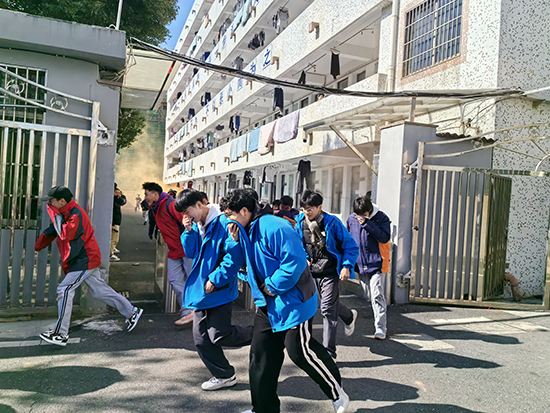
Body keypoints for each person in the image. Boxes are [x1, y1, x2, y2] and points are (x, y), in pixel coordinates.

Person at [220, 189, 349, 413]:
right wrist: (234, 241)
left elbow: (295, 262)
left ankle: (337, 393)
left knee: (301, 352)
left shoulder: (274, 226)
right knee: (261, 357)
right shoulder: (242, 229)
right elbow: (239, 262)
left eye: (229, 214)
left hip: (294, 302)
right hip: (267, 304)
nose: (226, 219)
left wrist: (272, 285)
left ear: (244, 211)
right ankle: (263, 409)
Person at [36, 186, 143, 346]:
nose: (49, 205)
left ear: (62, 201)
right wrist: (38, 245)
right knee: (99, 291)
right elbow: (53, 230)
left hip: (85, 260)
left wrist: (54, 214)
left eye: (51, 201)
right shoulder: (65, 213)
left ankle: (60, 333)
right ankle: (131, 312)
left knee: (65, 290)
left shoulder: (75, 214)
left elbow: (65, 234)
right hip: (85, 259)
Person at [175, 189, 253, 391]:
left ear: (199, 204)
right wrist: (188, 231)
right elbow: (191, 252)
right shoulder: (197, 225)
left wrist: (216, 280)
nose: (186, 216)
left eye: (187, 211)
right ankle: (224, 374)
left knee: (219, 335)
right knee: (201, 339)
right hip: (203, 290)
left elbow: (235, 256)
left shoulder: (224, 222)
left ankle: (264, 333)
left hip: (218, 289)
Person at [295, 190, 359, 359]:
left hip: (330, 272)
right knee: (315, 306)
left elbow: (351, 246)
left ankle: (329, 352)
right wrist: (304, 258)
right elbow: (298, 244)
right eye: (304, 208)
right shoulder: (299, 222)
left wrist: (346, 266)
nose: (306, 212)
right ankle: (348, 316)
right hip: (310, 272)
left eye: (310, 208)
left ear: (320, 207)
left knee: (327, 309)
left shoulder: (332, 223)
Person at [143, 182, 193, 326]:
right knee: (174, 279)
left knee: (192, 280)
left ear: (155, 194)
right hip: (174, 250)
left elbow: (187, 222)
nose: (145, 198)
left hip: (186, 249)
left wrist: (190, 241)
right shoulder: (156, 208)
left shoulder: (170, 205)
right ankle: (188, 311)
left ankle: (197, 312)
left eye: (147, 194)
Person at [346, 195, 391, 340]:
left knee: (377, 294)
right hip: (360, 263)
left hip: (377, 262)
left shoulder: (381, 218)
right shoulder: (351, 219)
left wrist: (367, 223)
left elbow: (384, 237)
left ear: (369, 210)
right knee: (367, 295)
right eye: (358, 214)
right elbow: (347, 238)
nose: (360, 217)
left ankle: (381, 328)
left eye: (363, 214)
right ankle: (378, 320)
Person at [110, 184, 126, 262]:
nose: (117, 194)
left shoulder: (115, 199)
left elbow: (122, 202)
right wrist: (112, 224)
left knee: (115, 239)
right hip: (114, 222)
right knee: (113, 239)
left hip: (116, 221)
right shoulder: (111, 200)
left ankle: (111, 251)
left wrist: (120, 196)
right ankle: (110, 254)